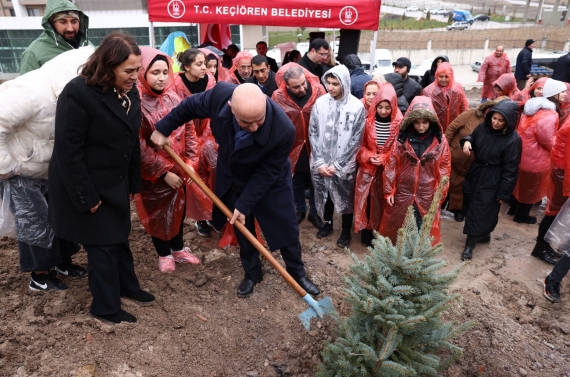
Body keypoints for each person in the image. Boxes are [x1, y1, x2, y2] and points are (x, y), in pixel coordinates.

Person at [149, 83, 320, 298]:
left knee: (284, 225)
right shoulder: (219, 95)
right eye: (246, 122)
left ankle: (297, 272)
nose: (255, 127)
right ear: (231, 107)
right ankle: (252, 273)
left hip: (270, 179)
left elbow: (267, 173)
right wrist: (164, 127)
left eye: (260, 120)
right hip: (234, 174)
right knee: (241, 225)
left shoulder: (283, 129)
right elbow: (190, 106)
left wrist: (245, 203)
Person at [48, 32, 154, 324]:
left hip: (114, 179)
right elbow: (68, 151)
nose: (136, 76)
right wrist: (87, 197)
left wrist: (134, 183)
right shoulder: (78, 94)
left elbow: (131, 140)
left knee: (119, 236)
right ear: (109, 66)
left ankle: (128, 288)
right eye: (129, 70)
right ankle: (105, 307)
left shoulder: (129, 92)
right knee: (102, 245)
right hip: (85, 182)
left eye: (137, 69)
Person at [135, 47, 201, 273]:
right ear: (142, 72)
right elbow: (139, 146)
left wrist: (191, 163)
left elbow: (190, 131)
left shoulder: (174, 97)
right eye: (155, 72)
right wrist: (163, 172)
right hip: (153, 175)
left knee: (178, 210)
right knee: (158, 215)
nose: (162, 77)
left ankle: (178, 248)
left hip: (180, 167)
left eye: (165, 71)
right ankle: (163, 253)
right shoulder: (137, 104)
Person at [380, 96, 451, 245]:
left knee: (422, 226)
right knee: (400, 225)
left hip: (427, 192)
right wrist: (389, 190)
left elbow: (444, 168)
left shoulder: (439, 141)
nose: (421, 127)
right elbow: (391, 164)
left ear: (431, 122)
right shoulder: (402, 139)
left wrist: (440, 193)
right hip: (403, 190)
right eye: (417, 122)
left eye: (425, 122)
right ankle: (399, 257)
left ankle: (416, 258)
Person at [309, 65, 366, 247]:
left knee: (345, 197)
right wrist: (319, 160)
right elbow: (313, 131)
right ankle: (328, 224)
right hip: (323, 161)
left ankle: (345, 231)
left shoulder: (356, 107)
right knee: (326, 194)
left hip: (345, 163)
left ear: (345, 84)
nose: (330, 87)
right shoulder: (321, 103)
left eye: (335, 84)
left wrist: (339, 164)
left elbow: (356, 139)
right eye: (328, 83)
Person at [459, 100, 522, 260]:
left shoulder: (513, 140)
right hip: (476, 171)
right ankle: (484, 233)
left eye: (501, 121)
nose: (496, 122)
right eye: (494, 118)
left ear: (508, 121)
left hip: (493, 176)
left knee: (480, 209)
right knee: (469, 202)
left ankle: (469, 246)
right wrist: (467, 141)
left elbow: (511, 169)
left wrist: (504, 191)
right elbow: (472, 137)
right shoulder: (483, 127)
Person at [272, 63, 326, 230]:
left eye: (304, 83)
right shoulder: (278, 96)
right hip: (292, 146)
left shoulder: (318, 91)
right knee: (296, 179)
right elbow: (274, 122)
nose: (302, 88)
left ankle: (315, 213)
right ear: (286, 85)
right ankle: (300, 209)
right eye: (296, 87)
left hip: (316, 145)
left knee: (316, 180)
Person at [509, 79, 565, 226]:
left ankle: (513, 209)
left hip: (522, 153)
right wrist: (559, 145)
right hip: (536, 158)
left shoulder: (533, 107)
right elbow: (547, 140)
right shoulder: (550, 114)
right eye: (562, 92)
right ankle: (521, 215)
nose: (565, 95)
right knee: (530, 187)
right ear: (554, 94)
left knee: (519, 183)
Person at [445, 97, 509, 223]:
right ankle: (439, 204)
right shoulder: (471, 114)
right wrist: (445, 150)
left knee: (462, 186)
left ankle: (457, 209)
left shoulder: (497, 126)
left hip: (472, 162)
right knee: (445, 181)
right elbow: (451, 129)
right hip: (454, 156)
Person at [353, 84, 402, 246]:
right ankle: (367, 234)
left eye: (387, 108)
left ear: (393, 106)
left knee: (384, 203)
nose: (383, 111)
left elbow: (400, 150)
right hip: (369, 170)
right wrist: (369, 156)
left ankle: (382, 234)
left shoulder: (399, 125)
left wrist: (385, 158)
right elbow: (359, 147)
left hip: (388, 173)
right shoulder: (368, 123)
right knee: (368, 203)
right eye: (380, 107)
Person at [532, 81, 568, 264]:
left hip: (560, 169)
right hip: (561, 172)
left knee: (554, 210)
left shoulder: (560, 113)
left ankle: (544, 246)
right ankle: (540, 248)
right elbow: (554, 144)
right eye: (562, 92)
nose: (565, 94)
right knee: (553, 211)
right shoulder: (553, 114)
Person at [20, 0, 90, 75]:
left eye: (74, 22)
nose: (70, 28)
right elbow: (27, 85)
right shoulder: (33, 54)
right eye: (63, 22)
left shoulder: (87, 45)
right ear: (51, 24)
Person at [421, 62, 469, 132]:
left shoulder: (458, 88)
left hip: (455, 128)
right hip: (435, 130)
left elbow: (464, 107)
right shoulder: (428, 91)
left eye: (446, 76)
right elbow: (424, 112)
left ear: (451, 76)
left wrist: (464, 123)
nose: (443, 79)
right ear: (436, 76)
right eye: (441, 76)